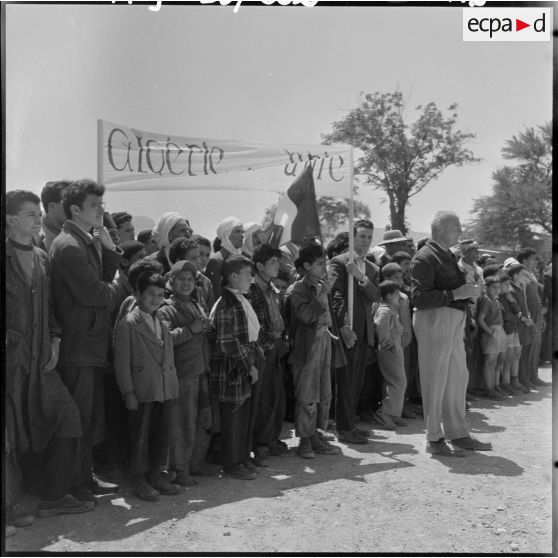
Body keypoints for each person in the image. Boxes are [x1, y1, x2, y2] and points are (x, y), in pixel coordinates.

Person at [5, 190, 93, 519]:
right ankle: (8, 509)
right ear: (11, 218)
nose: (39, 217)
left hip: (41, 362)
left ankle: (54, 497)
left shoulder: (42, 257)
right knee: (9, 436)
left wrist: (55, 339)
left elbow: (51, 308)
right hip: (12, 364)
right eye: (31, 213)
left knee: (67, 416)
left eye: (39, 212)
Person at [50, 178, 123, 501]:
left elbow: (102, 283)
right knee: (78, 419)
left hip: (90, 343)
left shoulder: (84, 241)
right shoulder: (68, 245)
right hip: (79, 345)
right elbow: (99, 292)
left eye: (101, 205)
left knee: (90, 417)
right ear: (75, 209)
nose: (100, 211)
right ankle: (73, 486)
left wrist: (108, 249)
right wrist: (115, 288)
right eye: (94, 206)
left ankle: (85, 479)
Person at [411, 210, 492, 457]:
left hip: (453, 318)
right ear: (441, 229)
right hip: (435, 319)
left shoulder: (445, 255)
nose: (460, 232)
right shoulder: (425, 256)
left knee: (457, 378)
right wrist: (455, 294)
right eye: (456, 227)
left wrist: (468, 292)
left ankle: (458, 432)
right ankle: (433, 437)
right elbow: (418, 297)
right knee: (435, 380)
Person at [113, 272, 180, 501]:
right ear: (137, 294)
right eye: (150, 294)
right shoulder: (128, 324)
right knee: (140, 436)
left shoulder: (161, 321)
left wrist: (171, 386)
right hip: (142, 391)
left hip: (162, 389)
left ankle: (155, 475)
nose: (155, 299)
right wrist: (127, 391)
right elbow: (121, 362)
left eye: (160, 295)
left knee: (160, 434)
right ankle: (138, 480)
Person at [158, 261, 213, 486]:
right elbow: (164, 339)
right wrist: (191, 330)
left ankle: (193, 465)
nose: (186, 283)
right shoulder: (165, 308)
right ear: (171, 281)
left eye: (190, 279)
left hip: (199, 370)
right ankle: (179, 471)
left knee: (200, 419)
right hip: (182, 373)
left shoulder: (195, 304)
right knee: (182, 423)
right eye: (181, 279)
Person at [286, 243, 342, 458]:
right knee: (307, 394)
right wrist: (321, 295)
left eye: (324, 263)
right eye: (319, 263)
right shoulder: (298, 290)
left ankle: (318, 434)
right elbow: (306, 316)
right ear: (307, 265)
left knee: (324, 392)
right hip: (306, 347)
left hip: (324, 343)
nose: (323, 267)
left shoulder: (321, 285)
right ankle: (305, 440)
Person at [209, 255, 261, 480]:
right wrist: (249, 365)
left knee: (242, 416)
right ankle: (231, 463)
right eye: (248, 275)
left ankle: (241, 458)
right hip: (231, 370)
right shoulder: (225, 303)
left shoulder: (240, 299)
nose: (251, 278)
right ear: (233, 276)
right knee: (232, 418)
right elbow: (226, 341)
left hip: (240, 368)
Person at [330, 219, 380, 443]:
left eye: (369, 237)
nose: (366, 241)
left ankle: (350, 422)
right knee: (346, 381)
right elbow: (336, 296)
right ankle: (344, 427)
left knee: (357, 382)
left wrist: (361, 278)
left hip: (364, 332)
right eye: (362, 236)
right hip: (348, 331)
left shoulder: (370, 267)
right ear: (352, 238)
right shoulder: (339, 262)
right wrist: (344, 326)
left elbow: (375, 296)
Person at [249, 244, 291, 465]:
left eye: (278, 261)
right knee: (263, 398)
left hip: (276, 348)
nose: (277, 266)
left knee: (276, 394)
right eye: (272, 262)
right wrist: (268, 343)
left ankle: (272, 438)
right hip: (262, 349)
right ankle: (260, 444)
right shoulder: (252, 290)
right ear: (259, 265)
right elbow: (256, 324)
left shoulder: (273, 290)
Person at [381, 263, 416, 419]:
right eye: (396, 278)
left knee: (403, 377)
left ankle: (399, 409)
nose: (400, 280)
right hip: (393, 343)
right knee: (394, 379)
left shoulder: (403, 296)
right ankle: (388, 412)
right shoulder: (386, 298)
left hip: (405, 341)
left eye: (401, 277)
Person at [373, 280, 408, 428]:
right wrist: (388, 343)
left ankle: (393, 413)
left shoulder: (391, 308)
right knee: (396, 380)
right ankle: (384, 413)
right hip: (390, 350)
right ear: (388, 295)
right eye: (395, 294)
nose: (398, 297)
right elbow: (380, 329)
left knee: (399, 381)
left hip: (395, 348)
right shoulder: (385, 310)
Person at [517, 247, 550, 387]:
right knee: (527, 346)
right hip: (528, 314)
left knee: (536, 346)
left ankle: (533, 375)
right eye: (532, 259)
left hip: (537, 314)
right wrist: (526, 315)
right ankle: (524, 378)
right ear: (524, 260)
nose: (536, 262)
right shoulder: (521, 275)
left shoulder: (531, 274)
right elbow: (522, 297)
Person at [477, 276, 508, 400]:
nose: (497, 290)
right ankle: (488, 389)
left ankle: (495, 386)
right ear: (486, 288)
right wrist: (491, 333)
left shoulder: (496, 300)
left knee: (496, 362)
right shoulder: (486, 300)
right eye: (493, 288)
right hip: (491, 333)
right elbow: (480, 320)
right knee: (489, 362)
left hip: (499, 331)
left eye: (498, 288)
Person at [507, 263, 535, 392]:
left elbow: (524, 306)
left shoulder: (520, 287)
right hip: (519, 325)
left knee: (525, 353)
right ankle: (518, 381)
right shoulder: (511, 289)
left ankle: (524, 379)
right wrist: (525, 319)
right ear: (516, 275)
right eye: (524, 275)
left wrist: (528, 316)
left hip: (525, 324)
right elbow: (513, 309)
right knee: (519, 355)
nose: (526, 277)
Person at [168, 237, 215, 313]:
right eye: (193, 258)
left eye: (198, 257)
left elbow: (209, 310)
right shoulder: (169, 280)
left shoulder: (205, 281)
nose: (199, 261)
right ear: (180, 261)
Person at [498, 273, 525, 395]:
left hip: (513, 328)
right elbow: (505, 316)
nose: (509, 286)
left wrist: (513, 302)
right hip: (506, 329)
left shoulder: (508, 297)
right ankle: (506, 382)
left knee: (516, 353)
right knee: (508, 357)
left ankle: (515, 380)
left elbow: (518, 313)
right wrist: (515, 316)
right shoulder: (499, 298)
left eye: (509, 284)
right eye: (506, 284)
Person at [206, 217, 244, 299]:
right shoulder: (216, 260)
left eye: (242, 232)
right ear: (226, 235)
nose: (242, 235)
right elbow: (217, 295)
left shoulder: (240, 259)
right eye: (237, 231)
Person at [37, 179, 71, 253]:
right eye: (68, 202)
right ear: (52, 206)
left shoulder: (81, 233)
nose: (73, 207)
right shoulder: (32, 239)